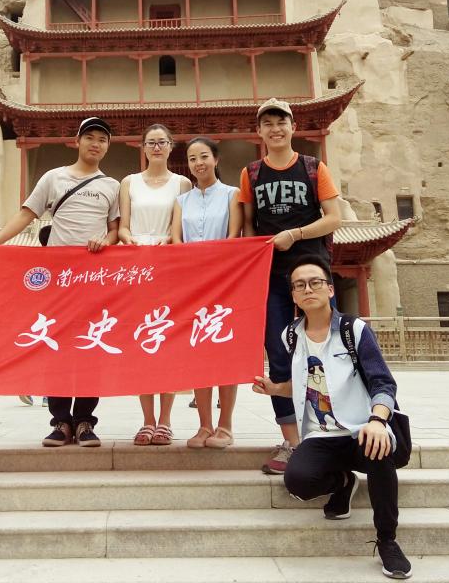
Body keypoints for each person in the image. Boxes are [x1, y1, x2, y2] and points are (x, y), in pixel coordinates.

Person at [253, 256, 411, 580]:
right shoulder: (290, 335)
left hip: (361, 429)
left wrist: (378, 421)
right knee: (298, 481)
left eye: (315, 282)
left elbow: (383, 383)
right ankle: (343, 482)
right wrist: (276, 388)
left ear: (329, 289)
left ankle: (387, 540)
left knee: (379, 451)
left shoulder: (353, 330)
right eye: (299, 285)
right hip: (321, 435)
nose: (307, 289)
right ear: (293, 295)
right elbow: (308, 384)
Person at [0, 116, 120, 448]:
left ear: (107, 147)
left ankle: (84, 421)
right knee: (56, 345)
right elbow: (26, 214)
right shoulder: (54, 178)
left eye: (102, 139)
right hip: (57, 278)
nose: (96, 143)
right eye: (90, 137)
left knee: (90, 346)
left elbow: (115, 229)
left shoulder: (112, 186)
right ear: (77, 141)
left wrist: (105, 241)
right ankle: (60, 422)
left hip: (92, 278)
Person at [240, 98, 341, 474]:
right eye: (267, 123)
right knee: (278, 355)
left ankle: (330, 433)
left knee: (326, 350)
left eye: (281, 122)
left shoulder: (313, 168)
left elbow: (334, 218)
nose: (275, 129)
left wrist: (295, 234)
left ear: (293, 127)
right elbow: (248, 224)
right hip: (271, 276)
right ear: (260, 132)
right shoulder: (251, 173)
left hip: (311, 273)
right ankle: (292, 441)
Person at [118, 124, 191, 446]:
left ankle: (165, 421)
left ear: (171, 146)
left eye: (162, 142)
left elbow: (180, 228)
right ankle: (147, 420)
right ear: (143, 147)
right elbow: (123, 227)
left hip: (168, 265)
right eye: (151, 142)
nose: (157, 147)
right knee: (142, 342)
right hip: (136, 265)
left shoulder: (182, 183)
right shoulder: (129, 182)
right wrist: (130, 240)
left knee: (167, 342)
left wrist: (167, 242)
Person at [172, 138, 243, 448]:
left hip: (225, 283)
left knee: (225, 353)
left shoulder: (232, 194)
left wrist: (214, 265)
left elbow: (234, 236)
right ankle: (204, 425)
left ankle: (225, 426)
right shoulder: (181, 201)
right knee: (198, 354)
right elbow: (176, 240)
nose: (198, 163)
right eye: (192, 159)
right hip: (191, 285)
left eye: (203, 156)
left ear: (216, 159)